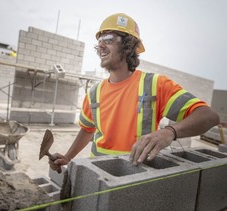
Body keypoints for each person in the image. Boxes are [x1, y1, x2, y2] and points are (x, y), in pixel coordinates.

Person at [49, 13, 219, 173]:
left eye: (108, 39)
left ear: (128, 45)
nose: (100, 45)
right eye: (100, 40)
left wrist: (170, 132)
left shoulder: (154, 84)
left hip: (136, 178)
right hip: (98, 176)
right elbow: (87, 130)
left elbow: (209, 116)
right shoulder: (94, 93)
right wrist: (67, 157)